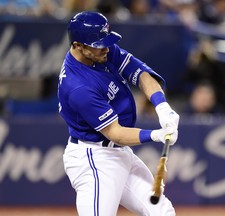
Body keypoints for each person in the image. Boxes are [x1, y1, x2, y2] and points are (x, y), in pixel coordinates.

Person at [57, 11, 179, 216]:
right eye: (99, 45)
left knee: (162, 211)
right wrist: (155, 135)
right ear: (78, 46)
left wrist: (162, 108)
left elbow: (140, 73)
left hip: (120, 153)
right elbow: (116, 133)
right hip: (95, 159)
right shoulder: (78, 87)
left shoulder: (100, 49)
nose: (106, 48)